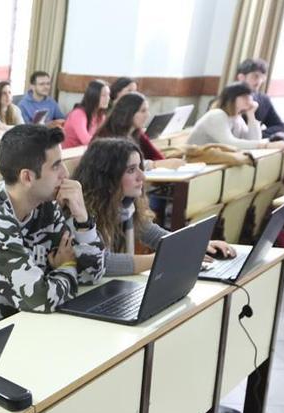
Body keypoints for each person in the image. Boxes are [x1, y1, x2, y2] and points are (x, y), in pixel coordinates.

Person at [0, 125, 106, 342]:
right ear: (27, 177)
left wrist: (82, 218)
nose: (66, 174)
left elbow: (93, 273)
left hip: (24, 326)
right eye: (56, 166)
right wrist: (68, 267)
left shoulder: (45, 206)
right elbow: (40, 299)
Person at [73, 137, 236, 276]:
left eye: (140, 168)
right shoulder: (81, 212)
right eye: (131, 170)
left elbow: (151, 233)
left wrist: (195, 245)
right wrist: (161, 258)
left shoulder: (125, 205)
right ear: (107, 176)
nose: (142, 176)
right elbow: (103, 262)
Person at [94, 92, 186, 167]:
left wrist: (166, 163)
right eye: (143, 111)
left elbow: (157, 157)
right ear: (128, 113)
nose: (148, 115)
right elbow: (124, 167)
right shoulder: (108, 137)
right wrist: (154, 165)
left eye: (147, 110)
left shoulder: (137, 133)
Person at [187, 83, 284, 150]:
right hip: (195, 161)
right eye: (244, 96)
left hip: (212, 162)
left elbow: (253, 140)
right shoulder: (217, 115)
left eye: (249, 95)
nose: (249, 99)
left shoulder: (236, 117)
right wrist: (266, 146)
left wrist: (251, 115)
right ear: (231, 99)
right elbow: (230, 143)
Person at [235, 58, 284, 139]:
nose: (259, 81)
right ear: (241, 77)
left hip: (253, 145)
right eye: (255, 76)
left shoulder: (263, 99)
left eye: (262, 77)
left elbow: (279, 126)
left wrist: (257, 135)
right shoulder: (229, 97)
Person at [62, 79, 110, 148]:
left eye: (108, 95)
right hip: (70, 154)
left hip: (85, 152)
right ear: (93, 96)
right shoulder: (78, 114)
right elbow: (86, 141)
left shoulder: (101, 115)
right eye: (103, 95)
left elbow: (103, 135)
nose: (108, 98)